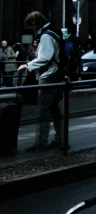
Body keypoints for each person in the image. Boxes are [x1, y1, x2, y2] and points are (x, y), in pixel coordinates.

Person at [16, 12, 64, 152]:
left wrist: (28, 65)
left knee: (43, 110)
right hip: (57, 75)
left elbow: (45, 57)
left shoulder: (46, 35)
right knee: (54, 109)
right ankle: (60, 139)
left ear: (35, 23)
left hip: (48, 76)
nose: (32, 30)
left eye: (31, 27)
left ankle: (41, 142)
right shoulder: (54, 31)